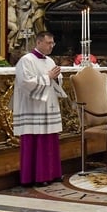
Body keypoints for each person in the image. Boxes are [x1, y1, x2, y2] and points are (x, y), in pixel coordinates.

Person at [12, 31, 66, 186]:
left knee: (50, 140)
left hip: (48, 105)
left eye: (53, 43)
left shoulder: (50, 60)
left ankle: (53, 173)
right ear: (38, 42)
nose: (51, 46)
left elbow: (56, 81)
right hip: (33, 107)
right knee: (36, 141)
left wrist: (55, 78)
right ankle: (36, 177)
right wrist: (48, 77)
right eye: (49, 43)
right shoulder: (26, 60)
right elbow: (26, 83)